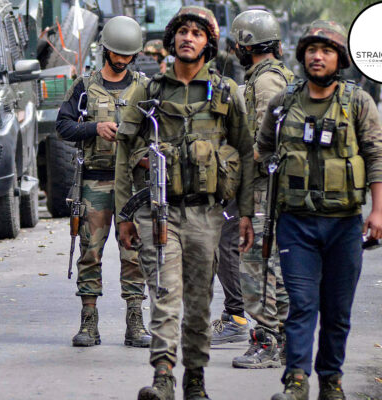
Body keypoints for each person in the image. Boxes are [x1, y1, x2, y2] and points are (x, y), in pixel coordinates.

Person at [115, 6, 255, 400]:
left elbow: (245, 153)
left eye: (196, 33)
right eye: (182, 31)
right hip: (158, 211)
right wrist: (124, 215)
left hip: (206, 214)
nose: (187, 38)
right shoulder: (149, 91)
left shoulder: (226, 91)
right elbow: (124, 152)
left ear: (207, 43)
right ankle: (163, 377)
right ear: (171, 39)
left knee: (197, 302)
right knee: (165, 295)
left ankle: (195, 379)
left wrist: (245, 213)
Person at [256, 20, 382, 400]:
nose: (318, 56)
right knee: (302, 304)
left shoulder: (358, 102)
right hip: (295, 223)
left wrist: (378, 211)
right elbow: (261, 151)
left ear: (339, 59)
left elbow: (376, 156)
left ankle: (331, 380)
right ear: (302, 55)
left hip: (344, 224)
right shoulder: (283, 103)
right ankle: (296, 381)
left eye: (326, 51)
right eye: (312, 49)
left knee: (337, 311)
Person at [56, 16, 151, 348]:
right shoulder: (84, 86)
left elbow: (159, 131)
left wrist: (144, 154)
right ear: (106, 51)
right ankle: (88, 322)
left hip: (133, 187)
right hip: (94, 183)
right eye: (117, 53)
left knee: (134, 253)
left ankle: (135, 321)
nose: (122, 60)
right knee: (90, 253)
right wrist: (94, 128)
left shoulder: (144, 87)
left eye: (128, 55)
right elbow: (63, 126)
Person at [218, 9, 295, 369]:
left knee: (256, 268)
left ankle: (266, 341)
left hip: (265, 188)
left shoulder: (265, 83)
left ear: (245, 46)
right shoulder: (270, 76)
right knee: (270, 267)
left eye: (237, 45)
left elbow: (268, 142)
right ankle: (284, 342)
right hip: (267, 186)